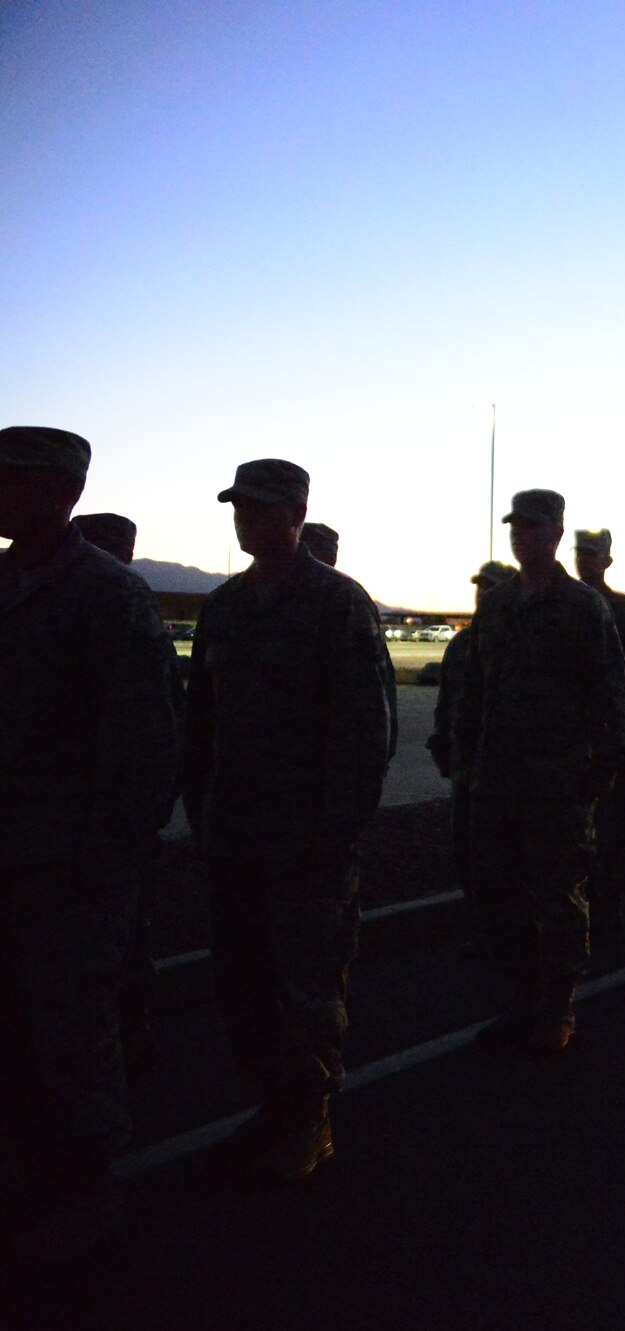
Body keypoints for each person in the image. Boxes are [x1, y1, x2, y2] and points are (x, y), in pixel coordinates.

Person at [184, 458, 395, 1181]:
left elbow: (366, 730)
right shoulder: (227, 607)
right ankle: (274, 1103)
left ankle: (311, 1118)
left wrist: (337, 832)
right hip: (236, 831)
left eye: (258, 507)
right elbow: (202, 725)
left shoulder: (336, 603)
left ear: (295, 514)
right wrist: (202, 813)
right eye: (238, 506)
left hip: (306, 839)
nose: (244, 518)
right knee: (243, 983)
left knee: (307, 987)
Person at [0, 428, 179, 1262]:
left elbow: (142, 742)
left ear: (60, 492)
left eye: (13, 478)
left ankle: (89, 1182)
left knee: (74, 1028)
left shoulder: (109, 595)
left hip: (68, 861)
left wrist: (106, 861)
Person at [451, 491, 625, 1050]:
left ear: (555, 535)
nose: (520, 536)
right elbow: (476, 690)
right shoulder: (500, 604)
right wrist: (465, 759)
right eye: (516, 527)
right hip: (498, 781)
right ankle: (522, 999)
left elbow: (613, 697)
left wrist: (599, 774)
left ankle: (557, 1009)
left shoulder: (582, 607)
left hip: (558, 784)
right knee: (499, 896)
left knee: (558, 899)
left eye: (532, 528)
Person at [72, 512, 171, 1081]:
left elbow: (153, 728)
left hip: (108, 822)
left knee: (122, 936)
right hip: (80, 820)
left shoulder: (123, 604)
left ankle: (128, 1040)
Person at [573, 528, 625, 941]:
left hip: (610, 742)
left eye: (592, 554)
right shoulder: (562, 604)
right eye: (580, 553)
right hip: (567, 745)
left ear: (607, 560)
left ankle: (606, 908)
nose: (584, 560)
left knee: (611, 830)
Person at [426, 561, 514, 903]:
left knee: (505, 856)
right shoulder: (461, 645)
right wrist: (441, 744)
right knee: (466, 848)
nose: (482, 594)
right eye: (480, 587)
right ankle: (483, 926)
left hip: (508, 771)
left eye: (490, 587)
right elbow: (446, 700)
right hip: (466, 767)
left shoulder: (519, 639)